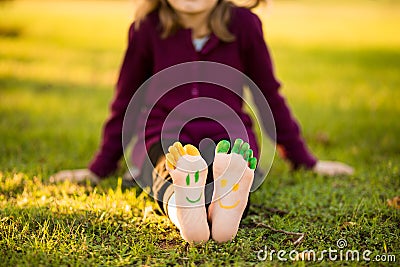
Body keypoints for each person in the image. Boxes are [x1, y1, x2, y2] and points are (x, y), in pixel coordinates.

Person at [53, 0, 354, 243]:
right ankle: (187, 207)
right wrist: (98, 168)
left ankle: (217, 203)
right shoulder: (146, 29)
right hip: (162, 134)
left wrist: (306, 160)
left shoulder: (245, 27)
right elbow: (125, 101)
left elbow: (269, 96)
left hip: (229, 136)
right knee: (166, 168)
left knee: (235, 168)